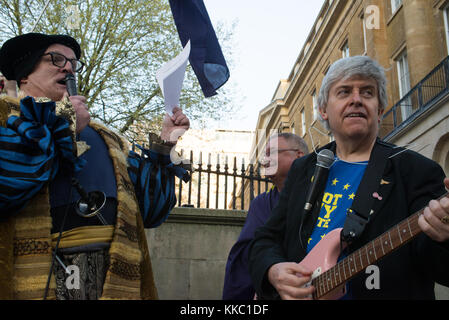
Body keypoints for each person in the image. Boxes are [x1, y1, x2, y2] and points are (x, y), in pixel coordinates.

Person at [0, 33, 190, 300]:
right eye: (56, 59)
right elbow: (9, 179)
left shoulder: (106, 138)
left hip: (111, 285)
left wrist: (165, 144)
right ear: (24, 73)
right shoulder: (4, 118)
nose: (68, 68)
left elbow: (152, 212)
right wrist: (65, 124)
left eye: (74, 63)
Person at [248, 55, 449, 300]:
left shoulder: (415, 170)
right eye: (344, 92)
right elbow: (266, 239)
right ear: (323, 110)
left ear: (379, 110)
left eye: (367, 93)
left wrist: (444, 238)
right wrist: (272, 270)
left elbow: (441, 268)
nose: (356, 100)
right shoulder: (304, 168)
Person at [222, 133, 308, 300]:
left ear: (299, 155)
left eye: (271, 153)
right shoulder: (260, 203)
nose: (264, 160)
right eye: (264, 154)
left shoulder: (319, 194)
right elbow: (245, 255)